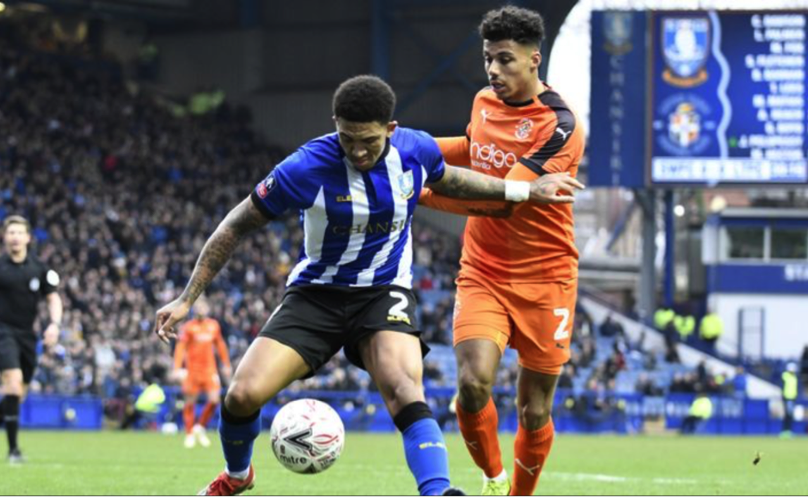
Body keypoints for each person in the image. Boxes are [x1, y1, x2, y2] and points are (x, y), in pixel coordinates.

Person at [154, 75, 583, 497]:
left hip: (384, 294)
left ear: (391, 130)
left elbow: (452, 180)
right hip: (316, 294)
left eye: (370, 141)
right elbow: (235, 225)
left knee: (404, 389)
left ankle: (437, 492)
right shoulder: (304, 168)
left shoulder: (414, 150)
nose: (358, 151)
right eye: (347, 138)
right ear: (335, 124)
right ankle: (236, 475)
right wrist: (187, 298)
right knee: (242, 395)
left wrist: (522, 191)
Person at [418, 7, 585, 496]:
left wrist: (418, 192)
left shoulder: (560, 125)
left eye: (505, 60)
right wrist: (409, 146)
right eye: (488, 59)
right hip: (484, 271)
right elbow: (473, 150)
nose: (493, 70)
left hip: (547, 277)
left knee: (534, 408)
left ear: (535, 60)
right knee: (472, 385)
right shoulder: (483, 101)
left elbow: (501, 200)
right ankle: (493, 478)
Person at [0, 216, 63, 463]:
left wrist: (54, 325)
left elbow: (53, 298)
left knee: (17, 395)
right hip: (3, 333)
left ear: (28, 238)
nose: (14, 237)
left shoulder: (39, 268)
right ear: (5, 236)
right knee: (12, 386)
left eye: (19, 232)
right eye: (10, 232)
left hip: (28, 336)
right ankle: (13, 451)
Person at [173, 297, 232, 449]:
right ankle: (189, 434)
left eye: (203, 306)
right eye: (198, 307)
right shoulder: (188, 327)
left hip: (209, 370)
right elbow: (180, 347)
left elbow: (220, 344)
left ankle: (199, 427)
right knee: (190, 402)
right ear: (194, 309)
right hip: (192, 371)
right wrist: (177, 368)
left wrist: (226, 364)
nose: (200, 309)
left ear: (207, 308)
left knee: (214, 400)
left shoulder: (213, 326)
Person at [782, 363, 799, 438]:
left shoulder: (794, 377)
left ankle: (788, 431)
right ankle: (785, 431)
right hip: (787, 398)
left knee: (790, 415)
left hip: (792, 398)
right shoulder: (786, 375)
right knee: (788, 415)